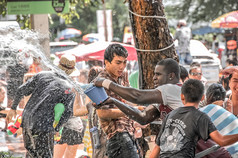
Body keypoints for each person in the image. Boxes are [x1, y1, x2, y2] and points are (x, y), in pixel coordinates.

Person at [150, 79, 238, 158]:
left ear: (182, 96)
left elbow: (157, 148)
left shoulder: (170, 115)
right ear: (203, 97)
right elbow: (222, 141)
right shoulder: (201, 117)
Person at [6, 65, 76, 157]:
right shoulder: (69, 88)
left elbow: (21, 90)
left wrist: (13, 108)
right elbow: (67, 113)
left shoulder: (42, 75)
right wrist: (57, 128)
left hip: (27, 121)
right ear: (70, 72)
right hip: (44, 125)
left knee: (31, 154)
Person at [94, 58, 183, 126]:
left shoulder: (173, 89)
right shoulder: (164, 96)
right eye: (154, 74)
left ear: (171, 76)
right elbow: (143, 117)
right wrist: (114, 101)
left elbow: (138, 97)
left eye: (158, 74)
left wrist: (105, 83)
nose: (154, 78)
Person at [95, 43, 140, 158]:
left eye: (125, 62)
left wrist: (139, 113)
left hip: (129, 131)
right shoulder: (99, 82)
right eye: (118, 62)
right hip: (117, 134)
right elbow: (102, 113)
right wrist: (132, 110)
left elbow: (128, 100)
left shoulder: (124, 75)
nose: (122, 66)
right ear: (106, 62)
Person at [54, 54, 85, 158]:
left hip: (58, 124)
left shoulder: (54, 83)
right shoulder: (75, 85)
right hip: (75, 125)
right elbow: (80, 107)